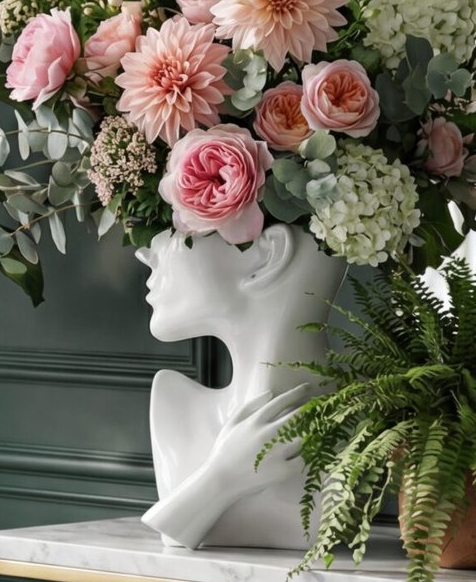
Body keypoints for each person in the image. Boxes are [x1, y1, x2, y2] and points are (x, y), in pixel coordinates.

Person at [136, 225, 346, 549]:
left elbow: (176, 530)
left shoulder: (373, 413)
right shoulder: (173, 403)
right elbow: (171, 535)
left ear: (267, 254)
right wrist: (224, 476)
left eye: (177, 224)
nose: (143, 252)